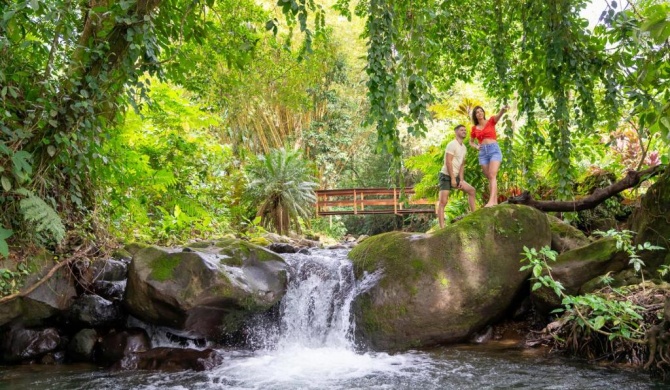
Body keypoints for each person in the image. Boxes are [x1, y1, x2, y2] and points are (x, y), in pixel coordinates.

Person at [437, 124, 477, 229]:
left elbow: (462, 165)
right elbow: (448, 162)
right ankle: (442, 228)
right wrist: (453, 179)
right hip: (446, 175)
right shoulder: (452, 144)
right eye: (461, 130)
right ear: (456, 132)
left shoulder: (464, 148)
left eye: (465, 130)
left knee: (472, 191)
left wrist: (461, 180)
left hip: (456, 176)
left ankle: (475, 216)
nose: (464, 131)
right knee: (443, 202)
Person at [469, 105, 509, 207]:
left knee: (492, 175)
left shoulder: (491, 121)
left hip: (494, 150)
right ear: (475, 115)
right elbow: (471, 142)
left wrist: (502, 109)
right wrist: (476, 147)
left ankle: (491, 202)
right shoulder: (474, 128)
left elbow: (499, 115)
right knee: (490, 177)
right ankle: (495, 202)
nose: (479, 113)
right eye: (477, 112)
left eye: (481, 111)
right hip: (483, 153)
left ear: (483, 112)